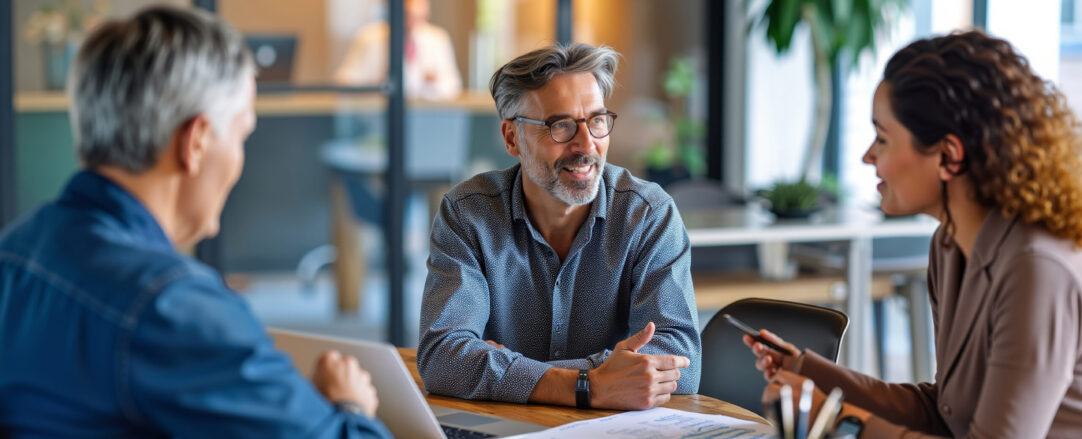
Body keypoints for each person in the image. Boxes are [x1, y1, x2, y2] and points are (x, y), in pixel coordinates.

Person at [0, 6, 390, 438]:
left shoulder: (14, 251)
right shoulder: (174, 309)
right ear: (197, 142)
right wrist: (351, 405)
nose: (240, 160)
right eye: (242, 136)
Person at [746, 30, 1082, 438]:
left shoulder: (1036, 269)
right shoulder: (949, 245)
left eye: (883, 138)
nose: (867, 155)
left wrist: (835, 421)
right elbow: (944, 411)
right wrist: (809, 371)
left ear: (947, 156)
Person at [417, 43, 701, 410]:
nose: (587, 145)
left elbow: (680, 361)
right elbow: (442, 358)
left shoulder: (647, 214)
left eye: (597, 120)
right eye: (560, 126)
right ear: (511, 138)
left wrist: (507, 372)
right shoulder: (468, 214)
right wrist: (589, 386)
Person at [333, 0, 462, 100]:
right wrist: (377, 85)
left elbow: (454, 86)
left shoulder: (437, 38)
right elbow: (344, 82)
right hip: (379, 118)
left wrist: (432, 81)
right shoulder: (369, 37)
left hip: (425, 117)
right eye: (408, 15)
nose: (412, 22)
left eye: (418, 16)